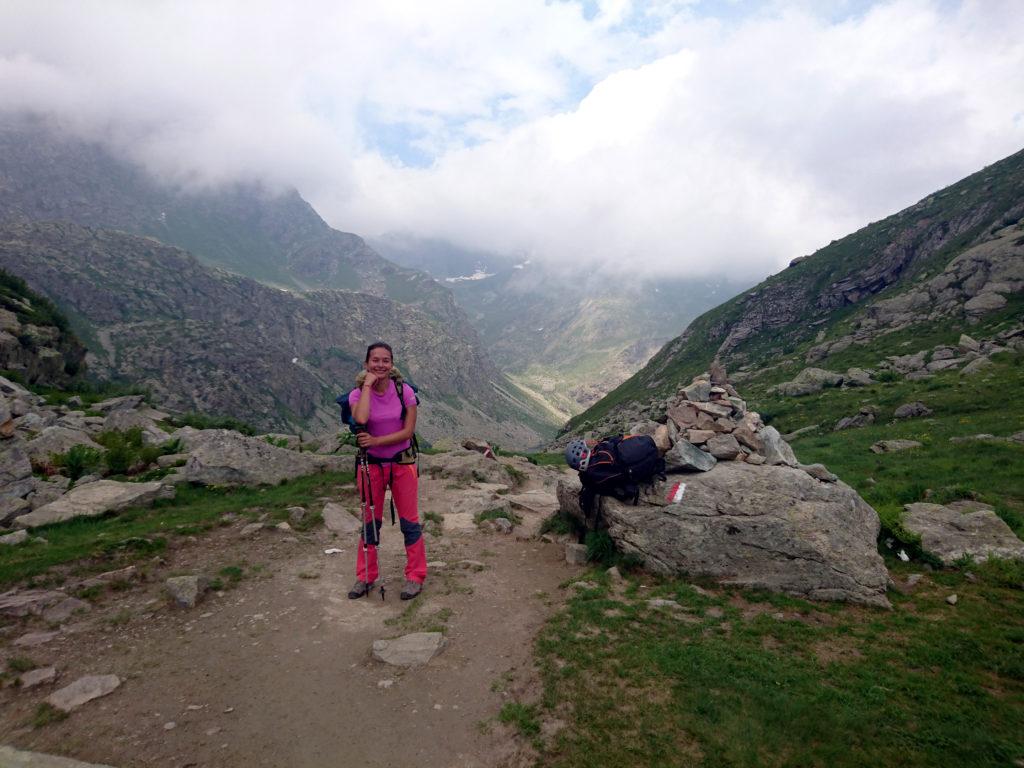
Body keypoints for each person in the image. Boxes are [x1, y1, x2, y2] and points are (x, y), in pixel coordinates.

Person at [347, 342, 426, 601]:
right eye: (375, 360)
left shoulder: (405, 392)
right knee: (370, 522)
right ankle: (366, 576)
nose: (380, 365)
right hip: (371, 466)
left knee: (409, 521)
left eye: (385, 360)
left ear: (392, 363)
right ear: (366, 363)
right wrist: (368, 385)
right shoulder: (357, 394)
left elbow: (408, 432)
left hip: (402, 462)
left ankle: (415, 576)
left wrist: (377, 442)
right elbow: (360, 419)